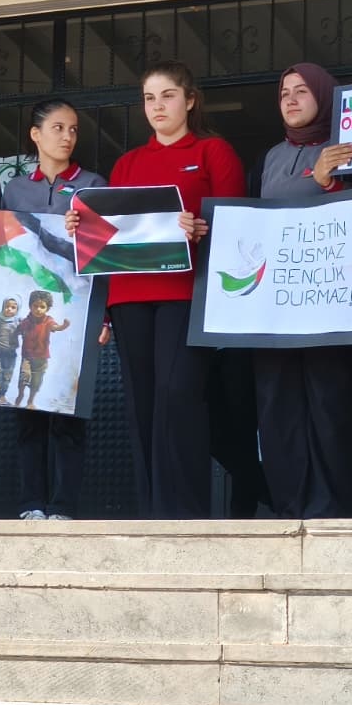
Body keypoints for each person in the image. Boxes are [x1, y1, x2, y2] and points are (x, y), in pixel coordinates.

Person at [69, 62, 245, 519]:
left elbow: (239, 226)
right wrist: (81, 227)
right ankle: (153, 514)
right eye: (149, 98)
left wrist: (203, 227)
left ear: (190, 100)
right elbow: (109, 235)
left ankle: (185, 514)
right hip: (129, 297)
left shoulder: (212, 151)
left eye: (167, 96)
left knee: (179, 396)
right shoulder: (127, 163)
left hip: (187, 293)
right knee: (143, 403)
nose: (157, 106)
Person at [252, 63, 352, 519]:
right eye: (284, 93)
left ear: (325, 95)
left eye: (302, 91)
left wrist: (330, 180)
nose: (290, 100)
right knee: (278, 405)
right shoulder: (269, 158)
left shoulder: (349, 147)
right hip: (275, 306)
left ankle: (332, 510)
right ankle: (289, 507)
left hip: (332, 304)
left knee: (331, 404)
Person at [1, 98, 107, 520]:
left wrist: (105, 314)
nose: (67, 137)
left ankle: (63, 505)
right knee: (26, 407)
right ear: (35, 134)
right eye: (58, 128)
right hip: (27, 313)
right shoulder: (15, 189)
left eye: (73, 129)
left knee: (68, 410)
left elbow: (106, 251)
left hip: (75, 310)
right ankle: (31, 503)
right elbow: (6, 246)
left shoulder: (93, 183)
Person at [0, 297, 21, 402]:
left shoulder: (18, 322)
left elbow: (25, 331)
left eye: (13, 307)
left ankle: (2, 395)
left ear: (17, 310)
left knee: (7, 375)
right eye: (7, 306)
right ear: (3, 307)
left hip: (10, 354)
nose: (9, 309)